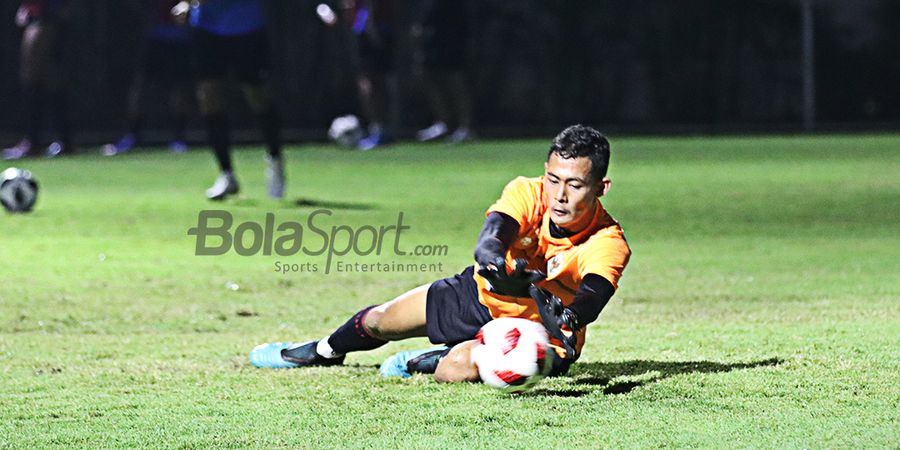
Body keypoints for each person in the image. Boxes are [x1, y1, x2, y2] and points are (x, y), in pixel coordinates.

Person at [249, 125, 631, 383]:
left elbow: (592, 296)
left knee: (454, 369)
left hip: (537, 331)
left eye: (575, 184)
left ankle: (427, 360)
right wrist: (494, 264)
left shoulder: (608, 241)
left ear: (602, 187)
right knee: (381, 320)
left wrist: (567, 316)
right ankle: (323, 351)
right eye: (554, 179)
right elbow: (493, 235)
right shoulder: (528, 191)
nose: (560, 195)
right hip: (481, 294)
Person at [174, 0, 285, 200]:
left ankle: (275, 160)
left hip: (247, 29)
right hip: (207, 30)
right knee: (208, 97)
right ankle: (227, 174)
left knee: (257, 96)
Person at [102, 0, 194, 156]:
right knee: (141, 87)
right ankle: (132, 135)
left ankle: (179, 138)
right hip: (154, 36)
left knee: (178, 88)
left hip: (179, 37)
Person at [3, 0, 73, 160]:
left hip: (47, 15)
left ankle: (37, 142)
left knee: (38, 76)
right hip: (39, 14)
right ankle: (55, 140)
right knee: (41, 77)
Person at [411, 0, 475, 144]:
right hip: (432, 40)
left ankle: (466, 127)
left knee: (455, 80)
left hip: (451, 39)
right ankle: (443, 123)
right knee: (430, 78)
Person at [340, 0, 396, 151]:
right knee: (373, 81)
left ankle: (379, 129)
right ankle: (380, 129)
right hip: (371, 27)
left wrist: (370, 25)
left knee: (370, 81)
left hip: (371, 28)